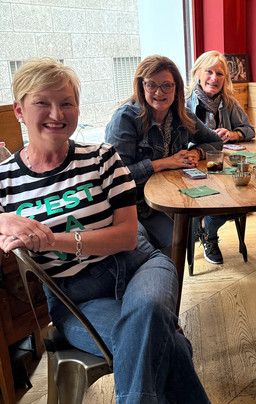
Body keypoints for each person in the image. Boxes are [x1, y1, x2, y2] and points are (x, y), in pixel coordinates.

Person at [0, 58, 210, 404]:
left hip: (140, 265)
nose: (57, 113)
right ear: (19, 110)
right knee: (169, 346)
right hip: (75, 299)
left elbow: (126, 237)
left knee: (149, 315)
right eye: (42, 102)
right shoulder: (6, 180)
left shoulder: (102, 157)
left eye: (66, 103)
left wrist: (53, 240)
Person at [105, 55, 222, 254]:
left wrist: (197, 152)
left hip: (171, 197)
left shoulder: (183, 115)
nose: (159, 92)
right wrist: (165, 162)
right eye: (151, 85)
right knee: (164, 243)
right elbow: (117, 177)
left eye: (167, 85)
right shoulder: (125, 118)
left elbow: (216, 142)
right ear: (141, 86)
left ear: (176, 88)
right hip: (131, 205)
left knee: (182, 237)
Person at [186, 50, 255, 264]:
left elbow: (249, 130)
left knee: (241, 201)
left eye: (220, 74)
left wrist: (233, 134)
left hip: (223, 168)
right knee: (216, 202)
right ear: (197, 73)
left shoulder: (230, 102)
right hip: (194, 168)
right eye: (209, 72)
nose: (214, 78)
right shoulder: (184, 104)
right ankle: (210, 236)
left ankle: (205, 227)